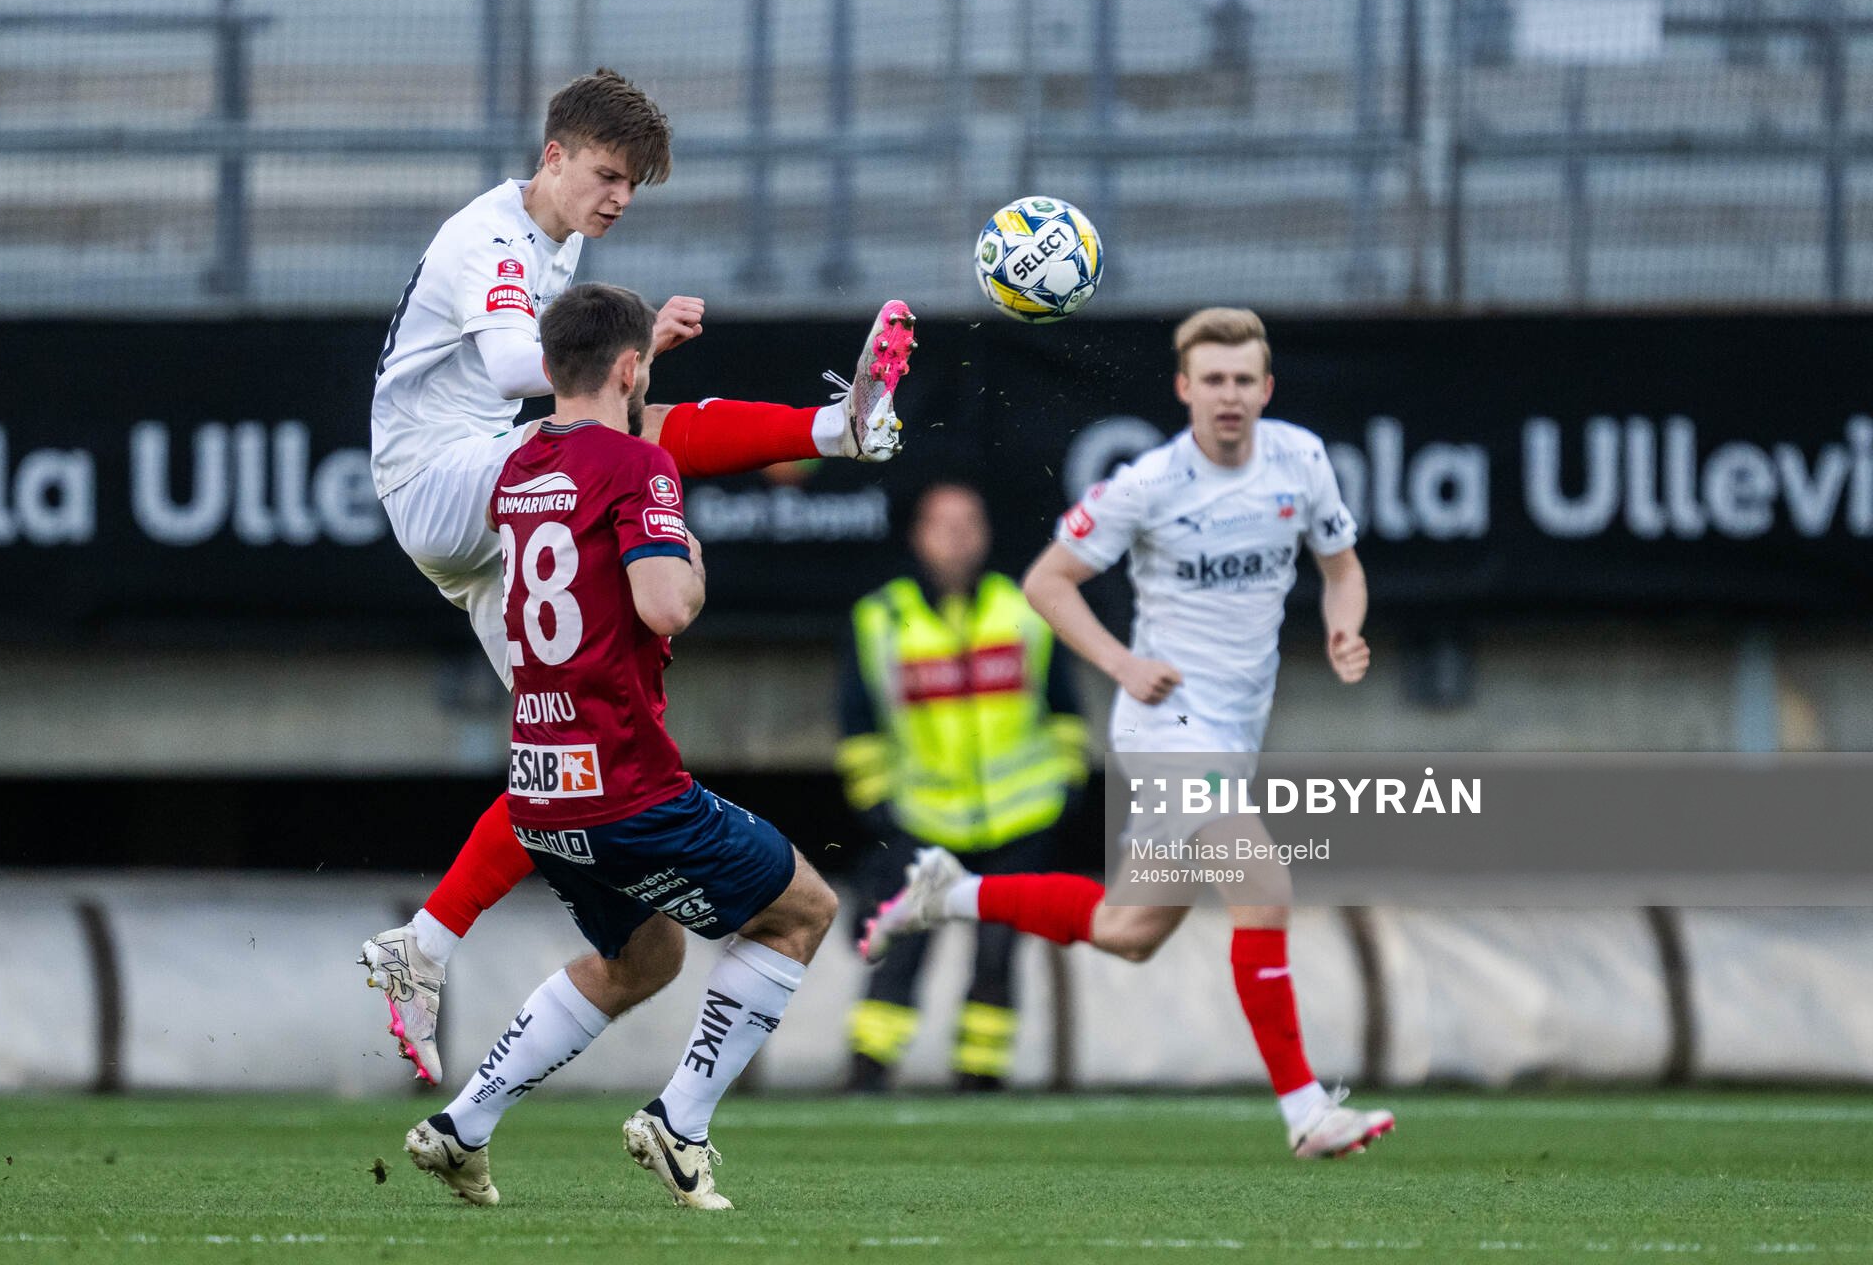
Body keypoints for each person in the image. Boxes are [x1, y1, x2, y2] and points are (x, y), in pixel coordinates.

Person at [357, 68, 915, 1085]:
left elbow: (554, 369)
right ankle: (838, 426)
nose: (616, 198)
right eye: (607, 175)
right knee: (623, 433)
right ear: (554, 156)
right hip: (439, 479)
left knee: (556, 753)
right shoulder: (491, 239)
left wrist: (626, 347)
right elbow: (522, 374)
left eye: (633, 186)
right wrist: (633, 346)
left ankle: (422, 945)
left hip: (482, 503)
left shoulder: (555, 240)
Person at [861, 308, 1395, 1159]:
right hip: (1166, 725)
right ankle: (1305, 1110)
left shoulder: (1301, 459)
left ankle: (946, 894)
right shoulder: (1146, 483)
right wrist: (1120, 664)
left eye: (1243, 380)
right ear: (1185, 389)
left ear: (1266, 388)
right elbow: (1047, 583)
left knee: (1128, 932)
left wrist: (1344, 626)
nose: (1229, 395)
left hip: (1234, 731)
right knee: (1263, 883)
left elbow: (1342, 568)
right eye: (1212, 380)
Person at [404, 282, 838, 1212]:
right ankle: (679, 1123)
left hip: (541, 784)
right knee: (802, 910)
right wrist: (685, 542)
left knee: (648, 959)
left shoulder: (519, 466)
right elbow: (667, 604)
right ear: (633, 369)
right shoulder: (642, 466)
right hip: (628, 785)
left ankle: (462, 1127)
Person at [836, 482, 1088, 1092]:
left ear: (987, 534)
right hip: (919, 821)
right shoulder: (880, 618)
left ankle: (981, 1076)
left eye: (969, 523)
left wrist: (1065, 791)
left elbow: (1065, 710)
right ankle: (868, 1072)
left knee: (1000, 956)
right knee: (902, 951)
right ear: (918, 534)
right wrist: (880, 809)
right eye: (943, 525)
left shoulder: (1025, 608)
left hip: (1019, 820)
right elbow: (857, 723)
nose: (957, 538)